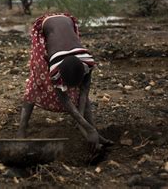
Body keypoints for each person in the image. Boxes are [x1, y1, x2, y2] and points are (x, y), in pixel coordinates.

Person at [18, 13, 113, 153]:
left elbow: (84, 94)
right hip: (46, 26)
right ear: (60, 77)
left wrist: (87, 128)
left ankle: (95, 133)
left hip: (67, 23)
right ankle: (22, 128)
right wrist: (86, 127)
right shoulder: (55, 68)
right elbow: (65, 101)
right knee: (36, 81)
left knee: (83, 99)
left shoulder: (87, 63)